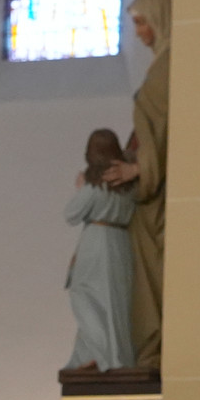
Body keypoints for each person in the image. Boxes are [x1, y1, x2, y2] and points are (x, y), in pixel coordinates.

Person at [123, 0, 170, 368]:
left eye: (141, 23)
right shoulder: (160, 64)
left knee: (156, 266)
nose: (139, 32)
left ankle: (156, 344)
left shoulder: (170, 65)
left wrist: (141, 169)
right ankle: (150, 345)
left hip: (159, 189)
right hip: (152, 183)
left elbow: (168, 127)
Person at [64, 128, 136, 371]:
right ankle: (103, 354)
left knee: (84, 295)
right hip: (121, 243)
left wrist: (81, 188)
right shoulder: (127, 186)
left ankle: (101, 353)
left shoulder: (95, 185)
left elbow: (71, 214)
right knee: (115, 302)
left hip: (96, 242)